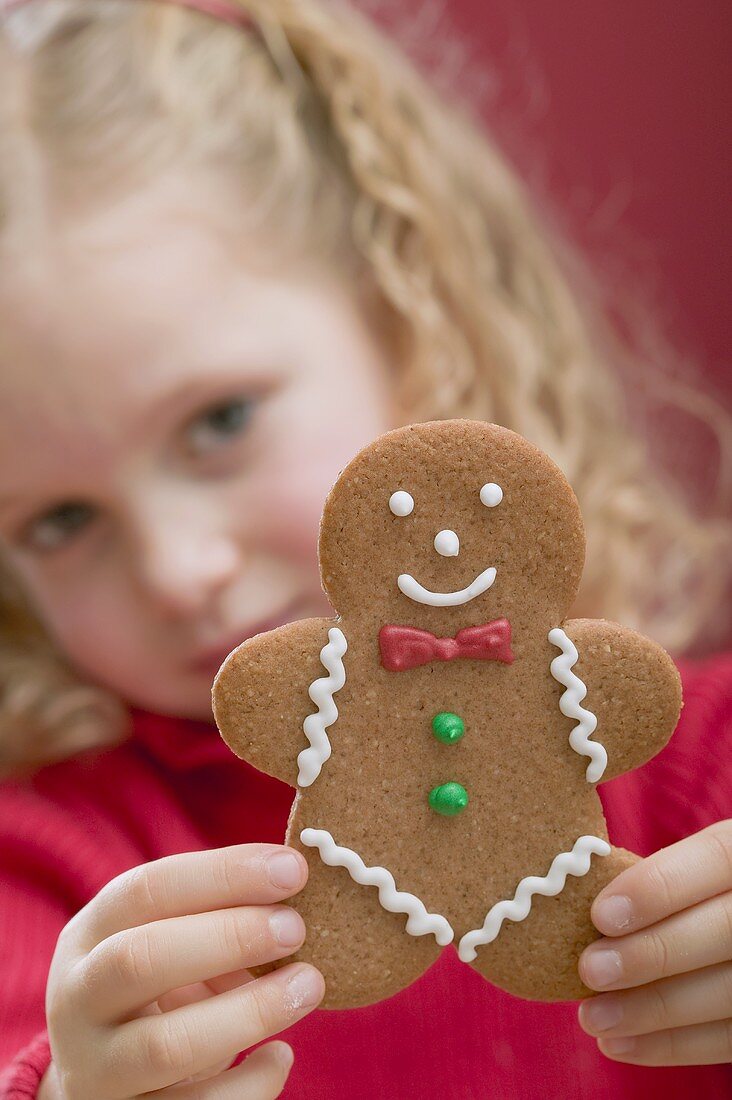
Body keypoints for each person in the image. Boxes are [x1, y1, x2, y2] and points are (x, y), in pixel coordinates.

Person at [0, 1, 729, 1096]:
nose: (177, 568)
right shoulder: (50, 871)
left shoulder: (690, 775)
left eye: (219, 421)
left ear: (412, 316)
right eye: (60, 520)